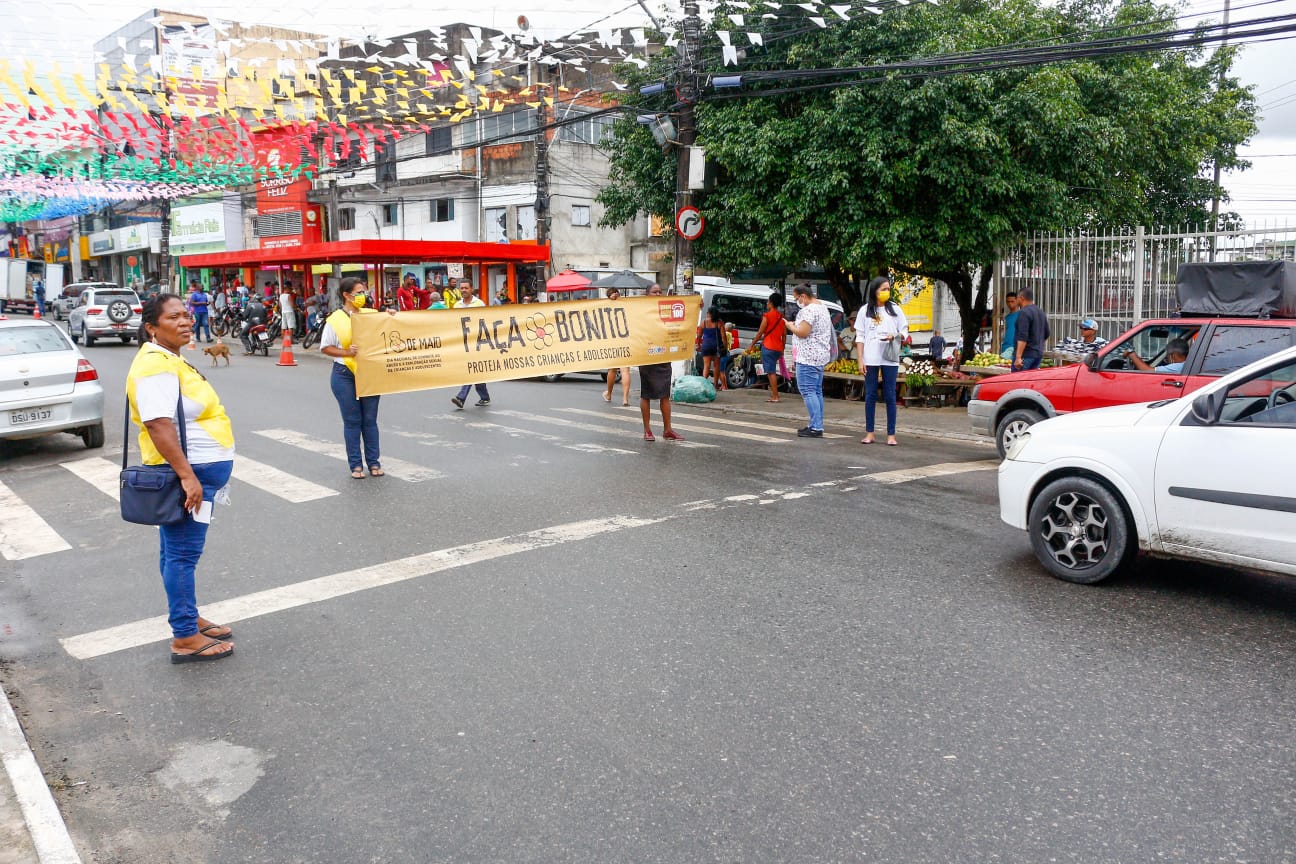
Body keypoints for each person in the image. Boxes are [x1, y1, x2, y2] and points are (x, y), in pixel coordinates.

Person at [126, 294, 236, 663]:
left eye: (186, 315)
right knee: (183, 554)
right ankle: (185, 635)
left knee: (174, 550)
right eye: (174, 317)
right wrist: (188, 477)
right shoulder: (155, 365)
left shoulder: (171, 358)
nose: (186, 322)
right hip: (186, 475)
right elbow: (158, 424)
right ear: (152, 328)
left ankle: (188, 616)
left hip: (197, 471)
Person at [321, 277, 384, 479]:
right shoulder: (335, 320)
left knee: (370, 420)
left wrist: (391, 315)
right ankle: (356, 465)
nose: (363, 296)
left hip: (369, 373)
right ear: (347, 295)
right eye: (358, 292)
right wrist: (347, 352)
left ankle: (374, 463)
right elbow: (326, 347)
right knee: (352, 420)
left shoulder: (371, 315)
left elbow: (389, 327)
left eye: (364, 291)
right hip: (344, 375)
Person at [855, 276, 909, 446]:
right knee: (870, 394)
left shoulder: (895, 309)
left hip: (889, 357)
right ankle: (870, 433)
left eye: (888, 289)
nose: (886, 292)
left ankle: (891, 434)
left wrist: (896, 336)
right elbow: (860, 336)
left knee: (890, 395)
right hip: (870, 357)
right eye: (883, 289)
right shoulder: (865, 310)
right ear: (875, 291)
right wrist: (860, 359)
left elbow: (905, 331)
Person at [783, 283, 833, 438]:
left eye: (797, 298)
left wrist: (790, 326)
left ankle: (816, 427)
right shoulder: (822, 307)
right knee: (816, 391)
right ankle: (816, 424)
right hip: (819, 357)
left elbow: (803, 332)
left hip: (808, 358)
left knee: (808, 391)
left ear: (803, 296)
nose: (797, 302)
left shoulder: (809, 310)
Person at [638, 283, 684, 442]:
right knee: (646, 394)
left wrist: (696, 306)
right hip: (646, 355)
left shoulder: (667, 309)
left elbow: (684, 317)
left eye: (660, 292)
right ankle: (647, 430)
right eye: (654, 292)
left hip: (663, 355)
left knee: (665, 395)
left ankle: (668, 429)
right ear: (647, 294)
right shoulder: (640, 310)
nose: (658, 294)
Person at [451, 281, 491, 409]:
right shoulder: (457, 305)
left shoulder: (479, 304)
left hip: (477, 343)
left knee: (471, 369)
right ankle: (484, 397)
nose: (463, 290)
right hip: (463, 343)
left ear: (471, 289)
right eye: (461, 288)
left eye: (466, 288)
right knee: (476, 370)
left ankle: (461, 398)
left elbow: (486, 321)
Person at [750, 291, 786, 403]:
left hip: (768, 346)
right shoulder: (781, 317)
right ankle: (775, 394)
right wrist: (782, 348)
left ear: (770, 303)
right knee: (773, 371)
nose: (767, 303)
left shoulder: (767, 316)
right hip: (778, 348)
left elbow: (760, 332)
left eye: (768, 302)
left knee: (771, 372)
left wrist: (751, 344)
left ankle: (775, 396)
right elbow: (784, 335)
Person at [603, 288, 631, 405]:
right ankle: (625, 399)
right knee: (625, 370)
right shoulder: (626, 305)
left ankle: (609, 394)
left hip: (613, 340)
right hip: (625, 338)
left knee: (612, 369)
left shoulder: (605, 306)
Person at [1012, 288, 1050, 372]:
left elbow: (1022, 337)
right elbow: (1047, 333)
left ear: (1021, 298)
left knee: (1017, 383)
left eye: (1017, 298)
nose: (1016, 300)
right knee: (1030, 383)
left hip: (1025, 356)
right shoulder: (1040, 312)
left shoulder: (1024, 313)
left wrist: (1018, 357)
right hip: (1037, 355)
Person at [696, 306, 726, 391]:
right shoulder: (719, 323)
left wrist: (698, 345)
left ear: (709, 313)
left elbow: (699, 336)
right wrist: (725, 347)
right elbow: (724, 337)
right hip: (716, 347)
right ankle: (715, 385)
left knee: (706, 366)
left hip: (706, 345)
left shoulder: (703, 322)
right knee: (716, 366)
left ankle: (703, 385)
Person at [999, 292, 1019, 361]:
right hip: (1004, 348)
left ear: (1017, 301)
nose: (1010, 304)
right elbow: (1002, 333)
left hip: (1015, 348)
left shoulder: (1022, 315)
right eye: (1008, 302)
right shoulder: (1006, 318)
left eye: (1012, 301)